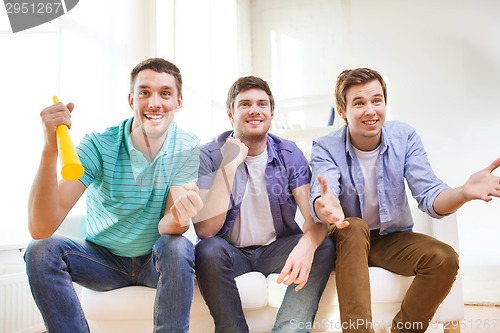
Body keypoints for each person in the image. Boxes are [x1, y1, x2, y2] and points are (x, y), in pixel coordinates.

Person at [310, 67, 500, 333]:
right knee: (353, 227)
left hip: (390, 239)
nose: (370, 110)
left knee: (444, 258)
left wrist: (463, 193)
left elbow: (430, 193)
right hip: (345, 239)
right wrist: (324, 204)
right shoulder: (325, 146)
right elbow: (323, 192)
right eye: (359, 103)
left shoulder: (404, 136)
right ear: (342, 111)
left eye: (376, 101)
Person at [24, 57, 203, 333]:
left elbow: (169, 227)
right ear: (131, 100)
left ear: (178, 102)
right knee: (39, 251)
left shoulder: (187, 144)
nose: (155, 103)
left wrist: (181, 215)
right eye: (145, 92)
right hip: (101, 261)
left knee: (177, 246)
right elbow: (41, 227)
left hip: (152, 261)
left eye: (165, 93)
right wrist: (50, 149)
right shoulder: (99, 145)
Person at [192, 76, 334, 333]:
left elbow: (314, 221)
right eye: (245, 104)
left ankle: (289, 330)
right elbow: (206, 231)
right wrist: (230, 166)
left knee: (322, 244)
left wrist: (306, 243)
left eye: (262, 104)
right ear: (230, 114)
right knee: (207, 250)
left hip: (276, 251)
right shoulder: (209, 155)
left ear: (271, 112)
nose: (254, 110)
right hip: (231, 253)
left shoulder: (290, 154)